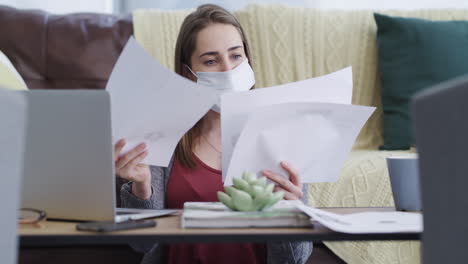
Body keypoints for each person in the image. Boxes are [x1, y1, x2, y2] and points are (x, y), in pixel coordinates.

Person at [115, 4, 313, 264]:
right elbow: (141, 244)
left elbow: (295, 259)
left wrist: (290, 213)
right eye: (211, 60)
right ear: (188, 73)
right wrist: (141, 187)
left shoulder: (281, 136)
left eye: (235, 56)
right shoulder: (160, 135)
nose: (228, 70)